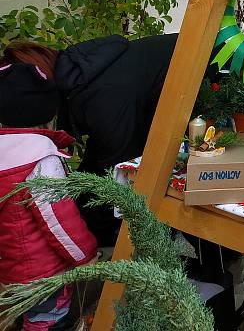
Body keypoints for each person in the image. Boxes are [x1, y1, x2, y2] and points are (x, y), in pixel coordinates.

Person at [0, 34, 177, 245]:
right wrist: (76, 201)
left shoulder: (101, 96)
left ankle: (207, 268)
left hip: (215, 81)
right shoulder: (82, 76)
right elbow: (98, 158)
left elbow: (119, 170)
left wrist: (88, 238)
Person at [0, 120, 97, 330]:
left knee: (26, 315)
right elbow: (59, 222)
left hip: (10, 270)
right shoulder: (39, 158)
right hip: (44, 275)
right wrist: (85, 256)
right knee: (45, 322)